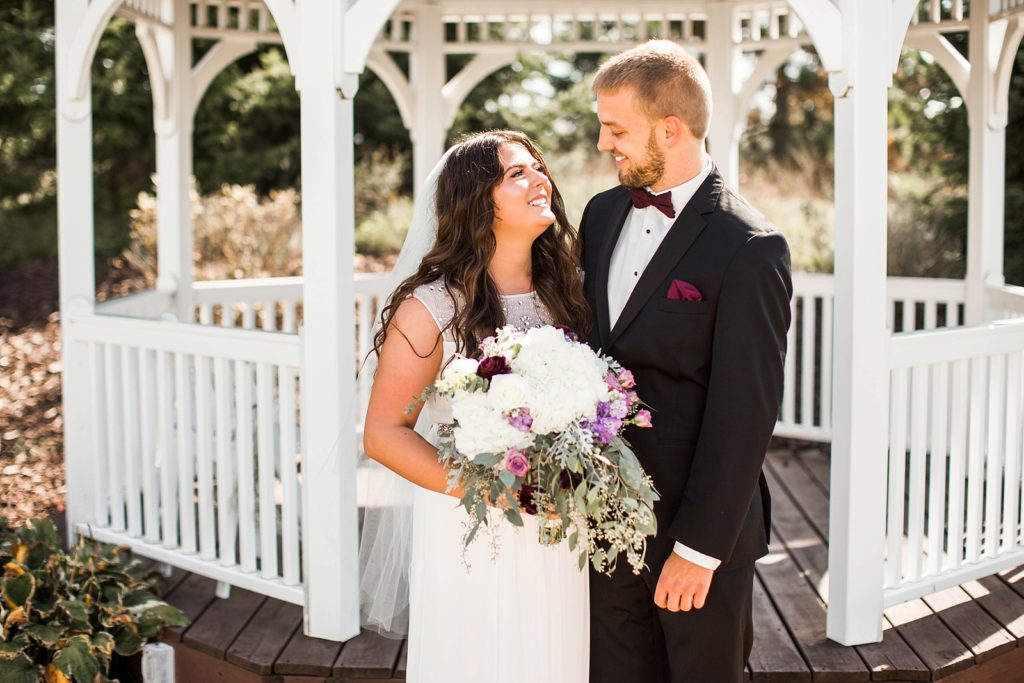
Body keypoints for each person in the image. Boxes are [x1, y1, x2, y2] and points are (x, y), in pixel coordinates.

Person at [579, 41, 793, 682]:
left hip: (698, 537)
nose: (600, 143)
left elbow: (745, 415)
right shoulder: (602, 213)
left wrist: (699, 551)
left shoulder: (749, 246)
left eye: (615, 129)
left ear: (669, 129)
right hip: (607, 522)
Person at [361, 130, 591, 683]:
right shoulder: (433, 308)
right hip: (476, 524)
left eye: (539, 168)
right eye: (517, 173)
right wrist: (500, 490)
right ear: (475, 199)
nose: (541, 180)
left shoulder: (570, 288)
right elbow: (384, 433)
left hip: (560, 526)